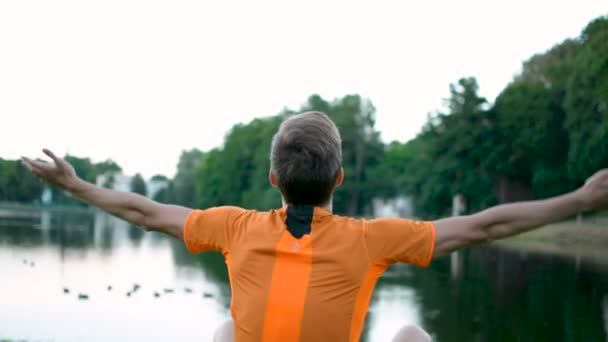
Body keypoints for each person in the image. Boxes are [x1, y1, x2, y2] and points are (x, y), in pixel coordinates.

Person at [22, 112, 608, 342]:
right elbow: (483, 227)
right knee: (409, 338)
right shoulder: (369, 239)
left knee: (228, 332)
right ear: (341, 178)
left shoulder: (236, 227)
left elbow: (144, 213)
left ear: (275, 179)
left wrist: (74, 185)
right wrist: (579, 197)